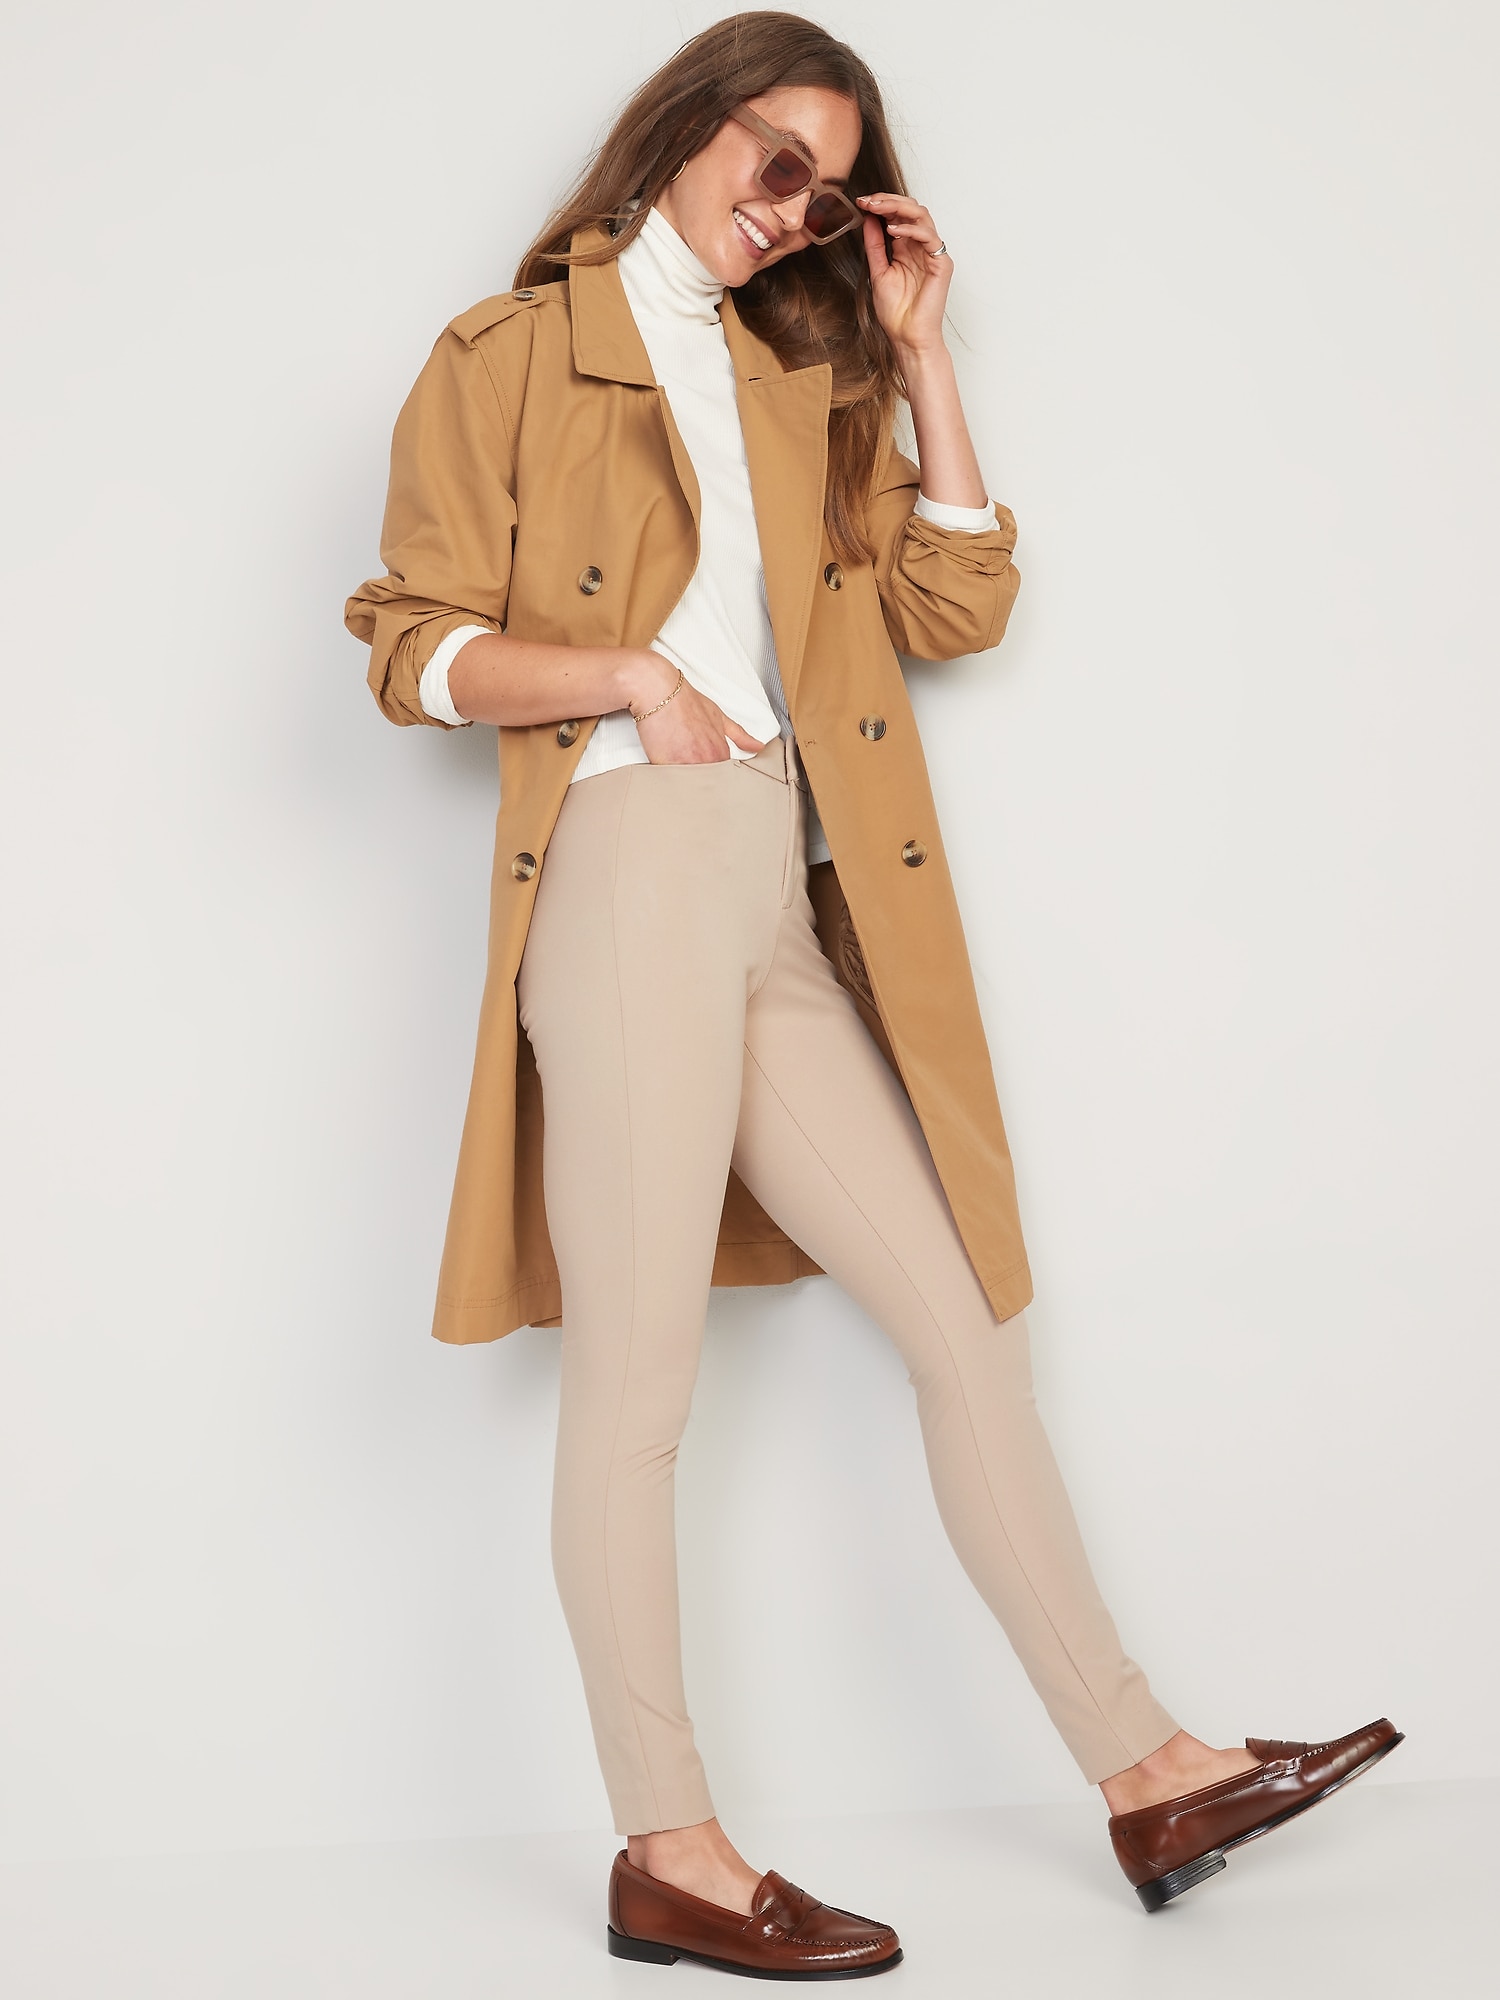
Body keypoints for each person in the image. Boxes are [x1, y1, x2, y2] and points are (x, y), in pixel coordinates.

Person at [345, 10, 1400, 1980]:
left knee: (963, 1331)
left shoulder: (791, 385)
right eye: (773, 159)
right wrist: (636, 681)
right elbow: (408, 646)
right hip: (633, 867)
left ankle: (1151, 1770)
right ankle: (672, 1848)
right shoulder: (510, 354)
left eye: (826, 191)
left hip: (778, 891)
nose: (790, 207)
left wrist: (919, 354)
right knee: (641, 1384)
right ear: (683, 126)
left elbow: (954, 602)